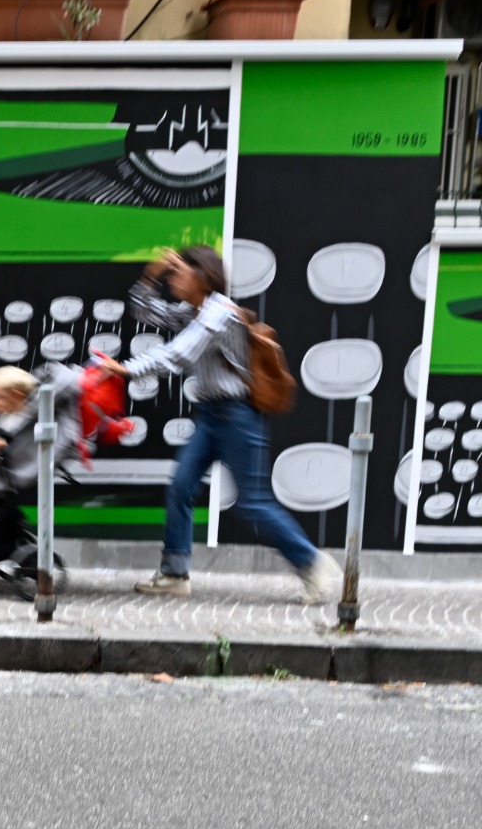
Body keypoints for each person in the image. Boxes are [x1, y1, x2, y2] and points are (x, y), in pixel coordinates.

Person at [95, 245, 340, 602]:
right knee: (181, 486)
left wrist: (127, 368)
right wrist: (152, 275)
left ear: (203, 275)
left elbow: (180, 354)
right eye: (174, 272)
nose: (174, 278)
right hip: (211, 416)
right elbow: (145, 311)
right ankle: (175, 573)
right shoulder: (194, 311)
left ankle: (312, 563)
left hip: (239, 417)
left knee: (253, 502)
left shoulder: (220, 313)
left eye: (181, 272)